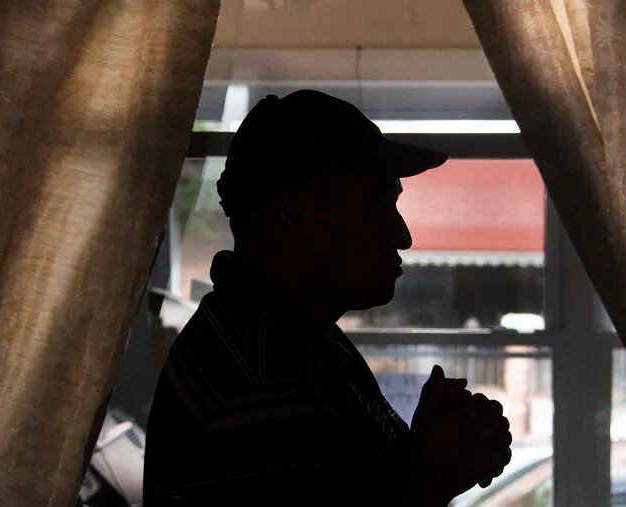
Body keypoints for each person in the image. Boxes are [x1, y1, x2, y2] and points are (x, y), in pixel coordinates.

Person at [144, 90, 512, 506]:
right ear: (296, 214)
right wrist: (432, 480)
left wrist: (426, 456)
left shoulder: (288, 337)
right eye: (376, 205)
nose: (402, 235)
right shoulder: (269, 384)